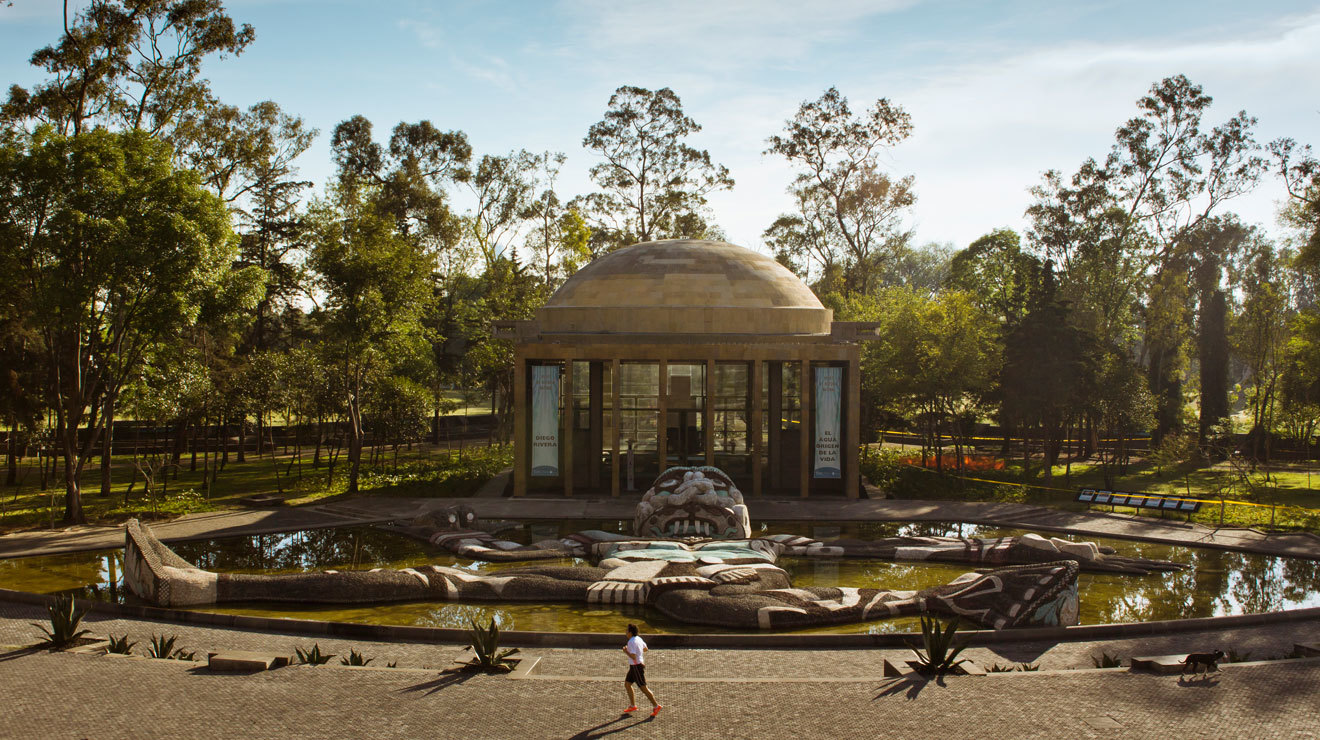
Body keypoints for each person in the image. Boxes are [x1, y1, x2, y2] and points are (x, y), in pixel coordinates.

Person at [622, 624, 661, 716]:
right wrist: (639, 653)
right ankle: (632, 705)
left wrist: (626, 651)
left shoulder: (631, 642)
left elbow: (633, 656)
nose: (626, 633)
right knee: (627, 684)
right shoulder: (638, 639)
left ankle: (656, 706)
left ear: (630, 632)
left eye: (627, 631)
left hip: (636, 667)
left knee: (643, 687)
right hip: (634, 666)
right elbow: (645, 649)